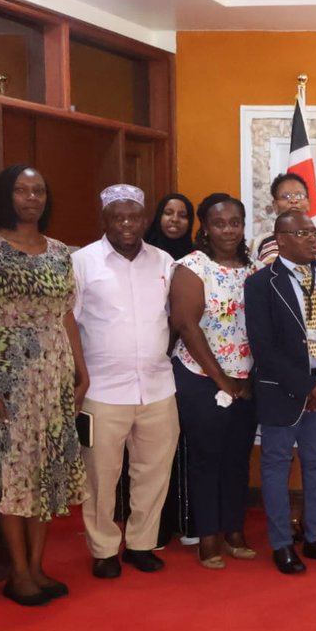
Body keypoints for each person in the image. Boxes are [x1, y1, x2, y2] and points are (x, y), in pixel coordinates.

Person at [0, 164, 89, 606]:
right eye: (21, 190)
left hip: (55, 374)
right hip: (9, 374)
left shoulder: (60, 251)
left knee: (48, 472)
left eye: (38, 190)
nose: (31, 198)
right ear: (6, 195)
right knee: (15, 471)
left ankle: (39, 567)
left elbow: (67, 314)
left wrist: (82, 370)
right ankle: (18, 573)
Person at [72, 184, 180, 579]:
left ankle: (140, 544)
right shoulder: (82, 263)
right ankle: (103, 549)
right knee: (101, 477)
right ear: (105, 220)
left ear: (144, 218)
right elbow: (69, 325)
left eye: (133, 216)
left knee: (153, 471)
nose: (126, 224)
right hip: (102, 391)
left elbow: (176, 318)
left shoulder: (164, 262)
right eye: (117, 217)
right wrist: (78, 378)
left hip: (157, 387)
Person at [246, 210, 316, 574]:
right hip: (283, 391)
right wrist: (308, 387)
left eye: (314, 232)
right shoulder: (262, 283)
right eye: (302, 233)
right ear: (280, 239)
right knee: (277, 466)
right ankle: (281, 544)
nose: (313, 239)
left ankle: (315, 538)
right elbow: (263, 348)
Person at [170, 193, 257, 570]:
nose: (228, 230)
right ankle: (208, 536)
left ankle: (234, 530)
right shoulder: (192, 267)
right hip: (199, 376)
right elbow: (187, 326)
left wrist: (248, 377)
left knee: (238, 456)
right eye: (219, 223)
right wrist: (221, 380)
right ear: (205, 227)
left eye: (235, 222)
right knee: (207, 458)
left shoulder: (253, 270)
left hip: (246, 379)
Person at [140, 192, 196, 547]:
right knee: (149, 450)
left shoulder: (195, 260)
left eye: (182, 215)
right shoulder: (141, 255)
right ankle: (151, 526)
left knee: (183, 446)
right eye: (168, 213)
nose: (174, 220)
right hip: (149, 361)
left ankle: (185, 519)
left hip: (186, 362)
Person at [251, 172, 316, 265]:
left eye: (299, 196)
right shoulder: (261, 242)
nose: (293, 200)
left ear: (308, 203)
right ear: (275, 206)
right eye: (286, 196)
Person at [144, 192, 194, 262]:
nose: (175, 219)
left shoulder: (196, 258)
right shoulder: (142, 252)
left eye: (182, 215)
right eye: (168, 213)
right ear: (159, 217)